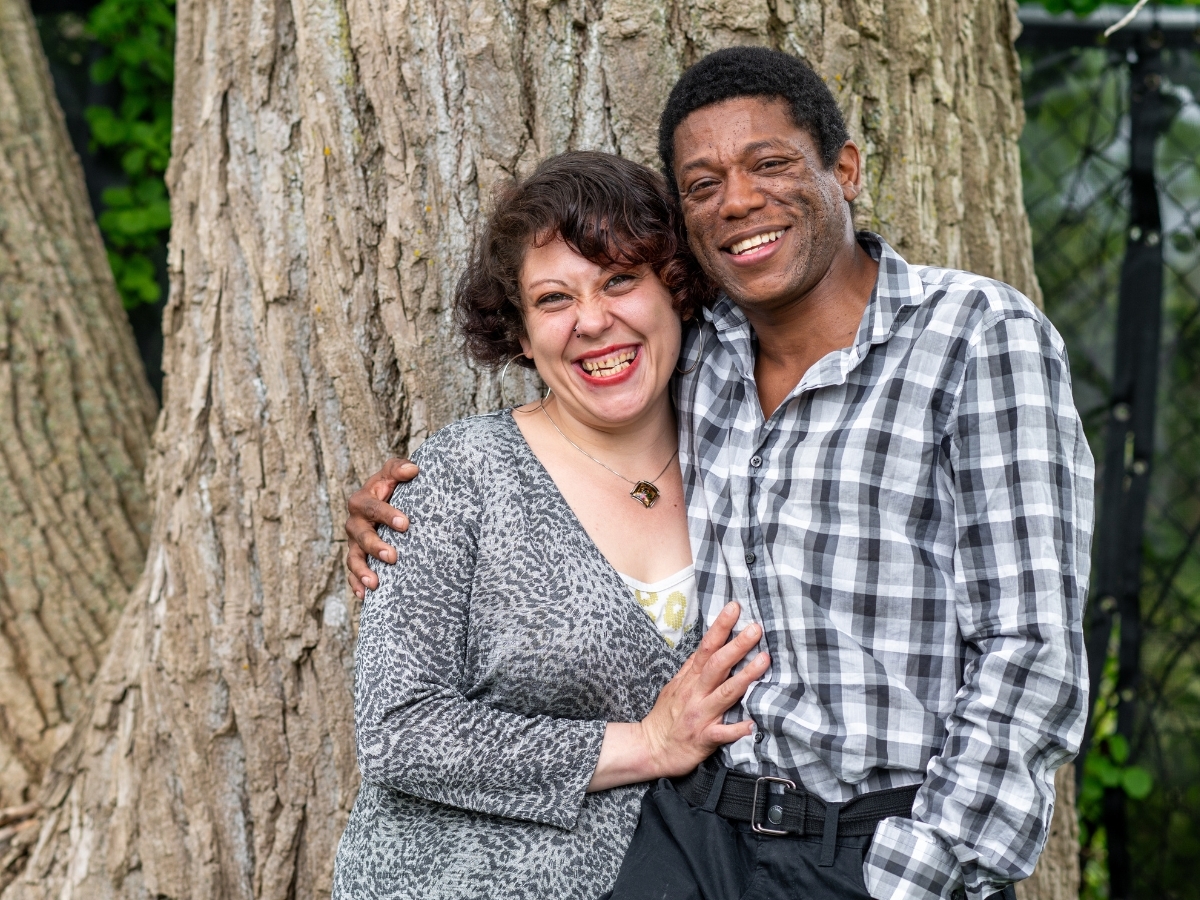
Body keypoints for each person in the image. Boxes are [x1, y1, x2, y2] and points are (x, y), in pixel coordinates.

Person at [345, 48, 1094, 900]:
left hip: (875, 850)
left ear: (846, 170)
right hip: (697, 841)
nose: (737, 201)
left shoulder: (975, 335)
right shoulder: (706, 357)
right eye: (703, 185)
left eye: (770, 164)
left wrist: (924, 870)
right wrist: (397, 507)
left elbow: (1029, 649)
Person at [330, 151, 771, 900]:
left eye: (620, 280)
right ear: (523, 335)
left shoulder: (746, 463)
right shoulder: (457, 477)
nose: (593, 321)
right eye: (554, 299)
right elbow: (396, 731)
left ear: (677, 291)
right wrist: (647, 744)